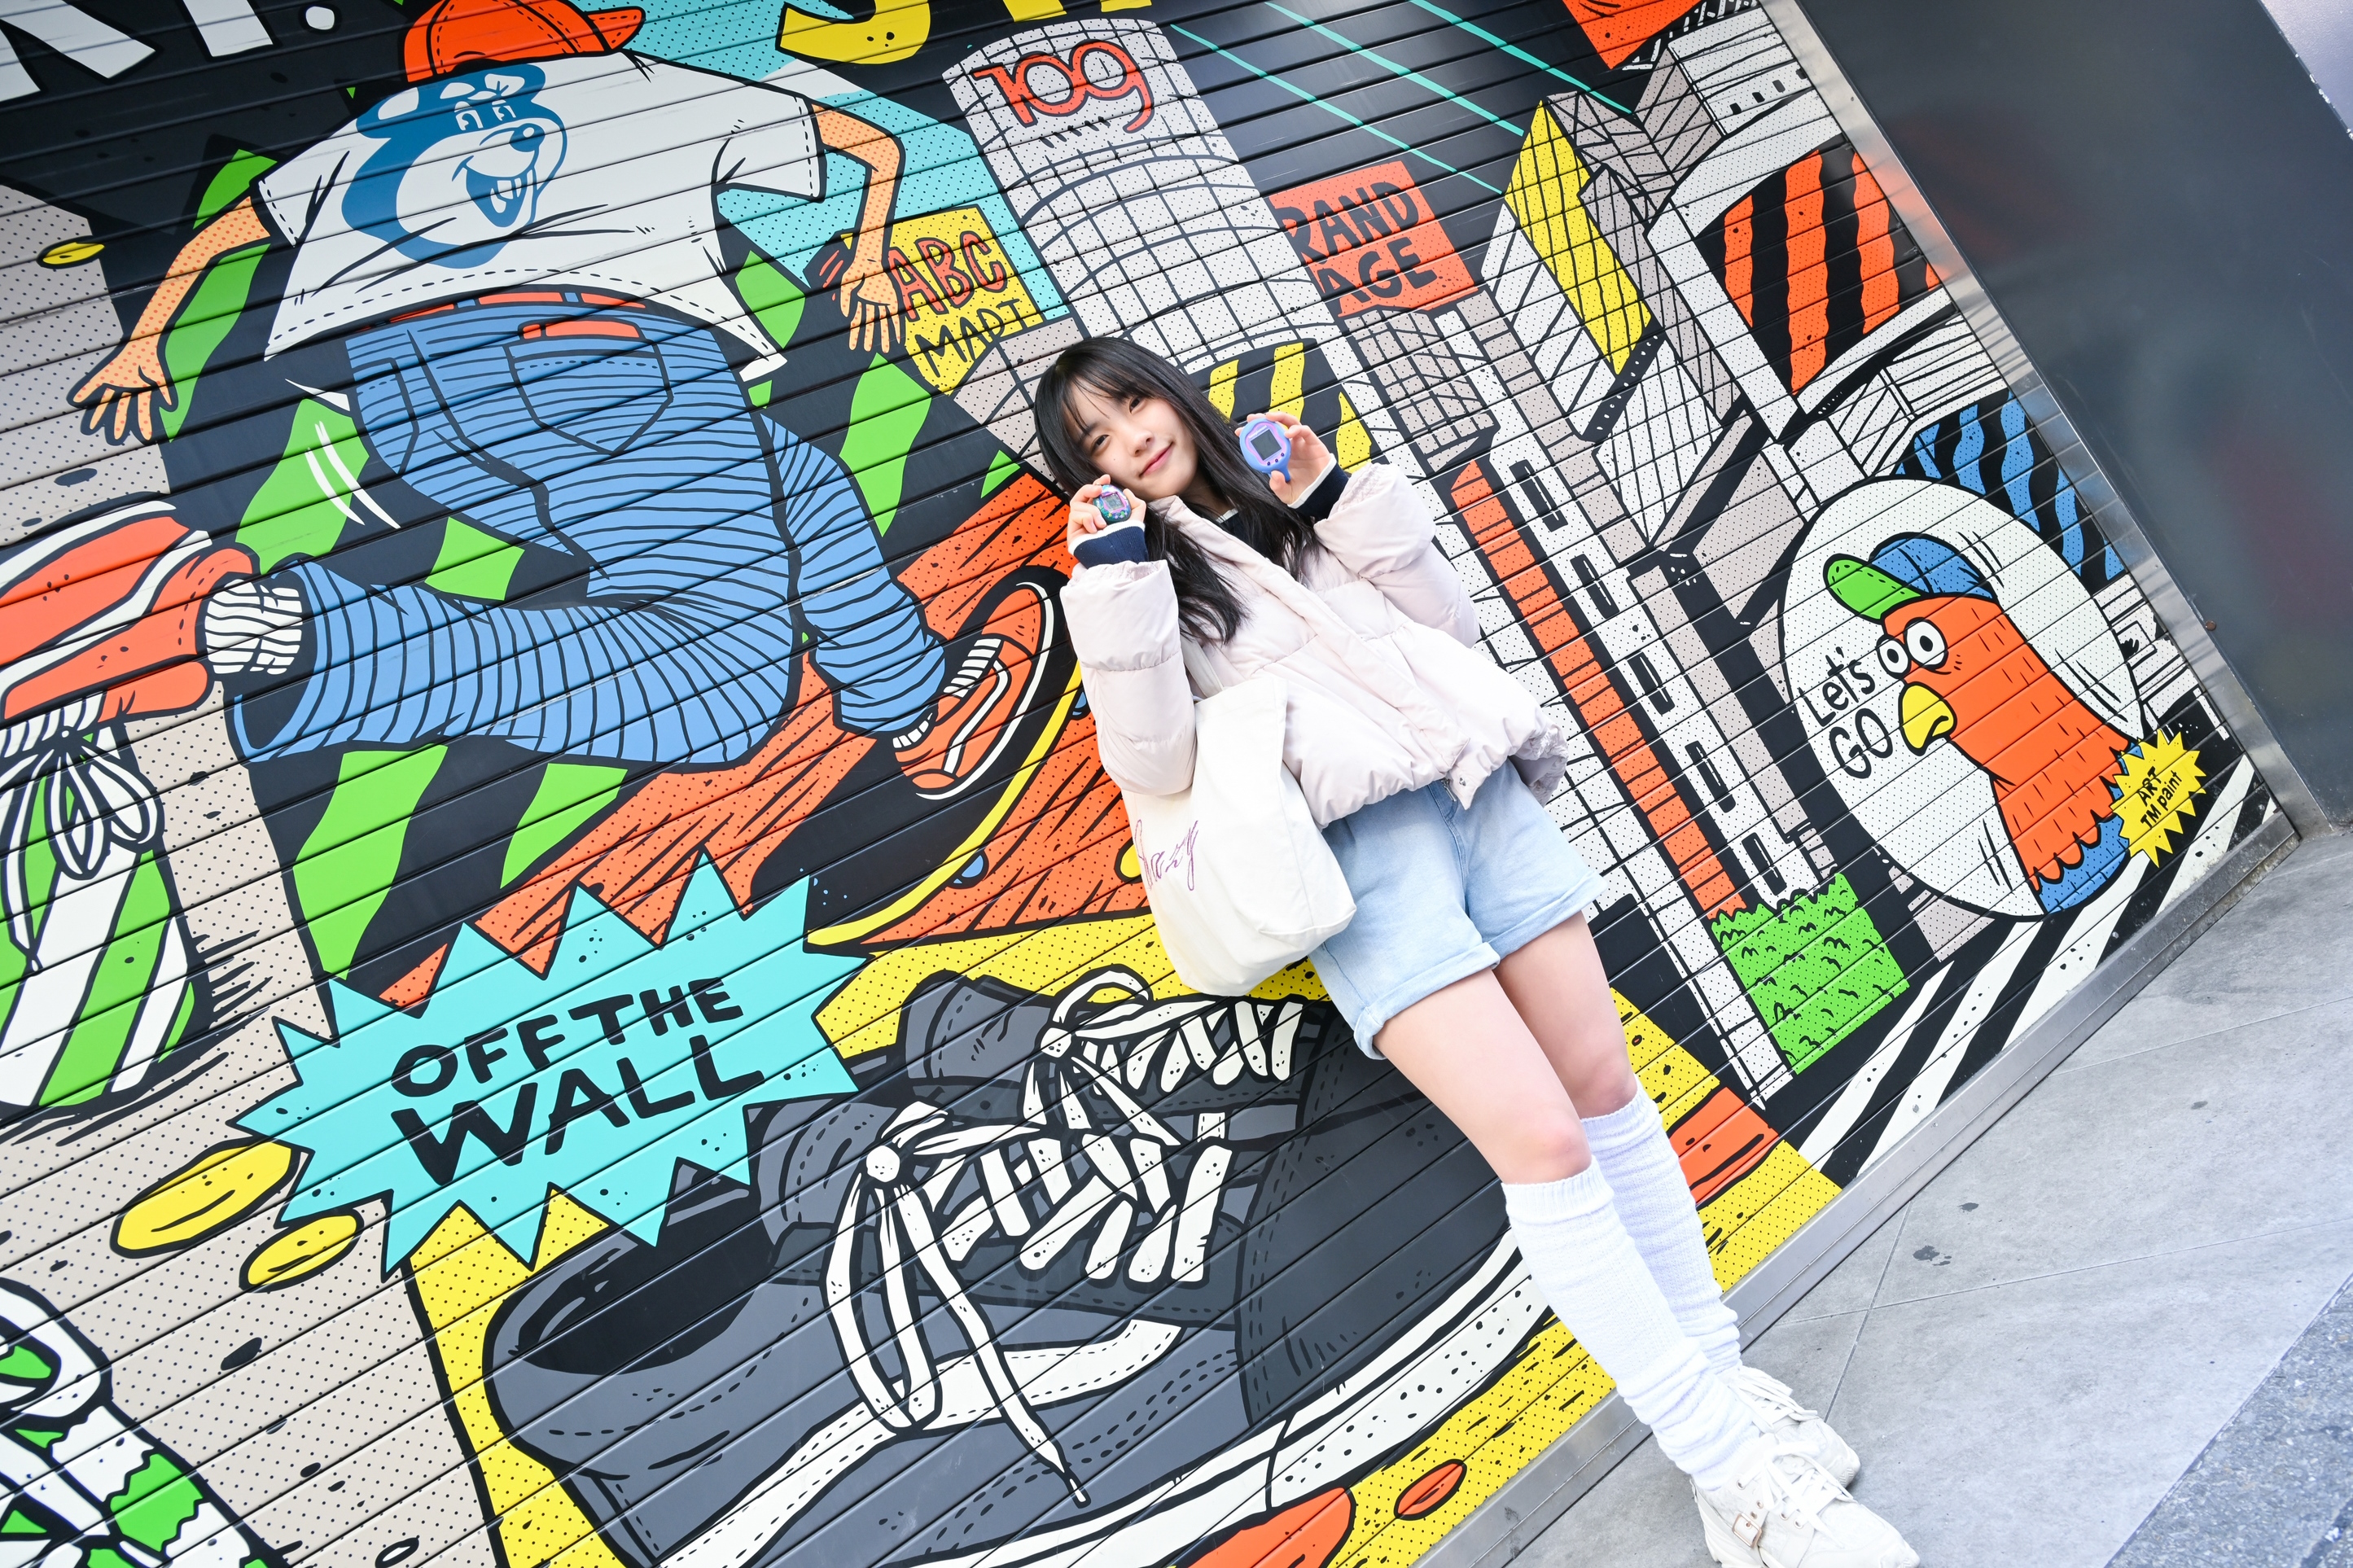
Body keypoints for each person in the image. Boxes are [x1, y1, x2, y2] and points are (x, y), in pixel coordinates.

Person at [1035, 338, 1920, 1568]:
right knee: (1544, 1146)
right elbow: (1153, 759)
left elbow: (1446, 627)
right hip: (1365, 865)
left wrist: (1333, 497)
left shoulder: (1292, 506)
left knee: (1606, 1099)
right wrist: (1114, 578)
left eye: (1131, 403)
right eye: (1094, 440)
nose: (1129, 438)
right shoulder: (1142, 584)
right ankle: (1730, 1471)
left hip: (1482, 804)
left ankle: (1731, 1403)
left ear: (1169, 393)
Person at [47, 0, 1036, 802]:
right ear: (571, 44)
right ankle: (279, 636)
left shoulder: (378, 130)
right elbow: (872, 145)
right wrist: (868, 258)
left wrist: (142, 347)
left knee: (802, 487)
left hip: (413, 403)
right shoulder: (627, 84)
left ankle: (911, 702)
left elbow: (227, 230)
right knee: (719, 684)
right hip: (602, 365)